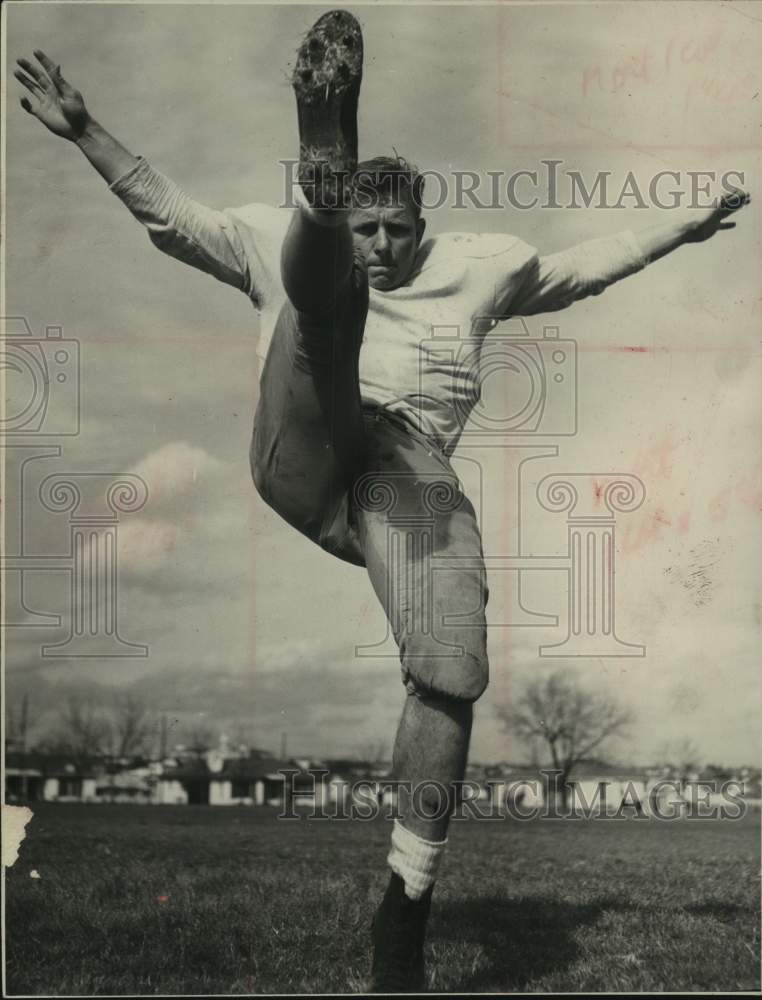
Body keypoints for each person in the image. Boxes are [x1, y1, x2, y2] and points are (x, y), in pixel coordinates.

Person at [14, 9, 750, 992]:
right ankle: (324, 154)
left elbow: (587, 265)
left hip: (400, 471)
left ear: (426, 225)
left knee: (454, 665)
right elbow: (167, 212)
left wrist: (686, 225)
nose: (389, 245)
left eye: (398, 230)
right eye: (367, 228)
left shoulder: (483, 266)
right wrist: (86, 127)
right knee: (329, 317)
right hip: (306, 434)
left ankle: (404, 907)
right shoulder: (267, 239)